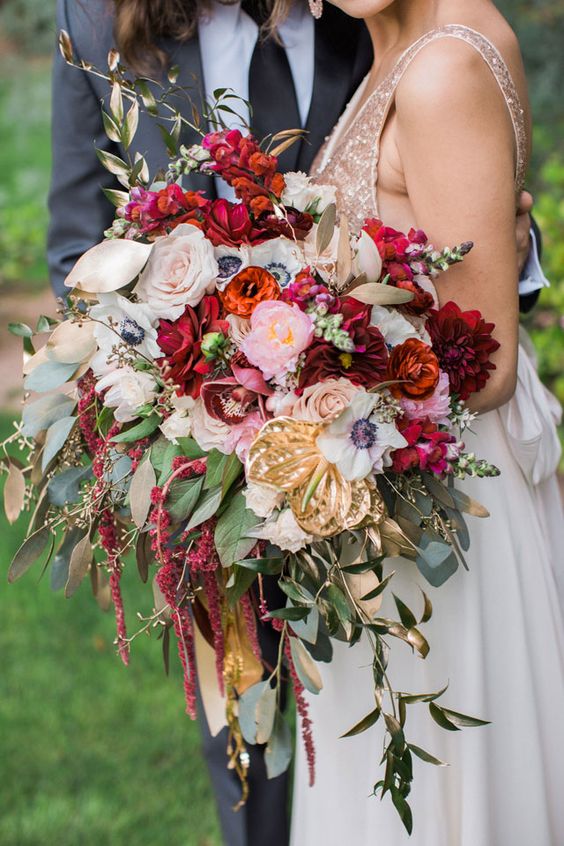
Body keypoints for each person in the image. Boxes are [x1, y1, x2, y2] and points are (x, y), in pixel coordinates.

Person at [46, 3, 553, 845]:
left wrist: (502, 239)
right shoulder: (100, 22)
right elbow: (80, 254)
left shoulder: (384, 25)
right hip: (223, 473)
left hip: (393, 483)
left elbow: (460, 266)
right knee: (252, 742)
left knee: (418, 767)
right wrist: (157, 430)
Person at [287, 0, 564, 844]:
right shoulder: (401, 46)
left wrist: (289, 403)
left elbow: (483, 363)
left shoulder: (441, 69)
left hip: (443, 530)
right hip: (394, 512)